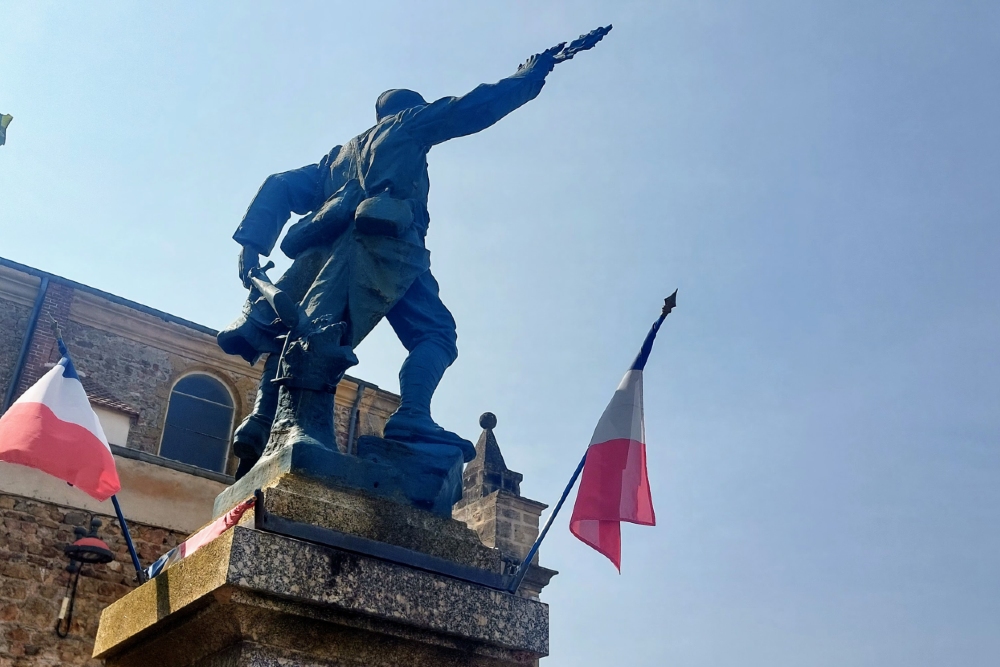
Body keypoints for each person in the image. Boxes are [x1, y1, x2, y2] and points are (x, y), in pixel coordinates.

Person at [219, 34, 607, 480]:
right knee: (334, 336)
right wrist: (531, 74)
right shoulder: (407, 125)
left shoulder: (336, 158)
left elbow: (280, 185)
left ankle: (282, 421)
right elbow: (475, 107)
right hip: (382, 248)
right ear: (408, 108)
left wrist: (252, 245)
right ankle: (287, 427)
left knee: (347, 330)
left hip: (356, 256)